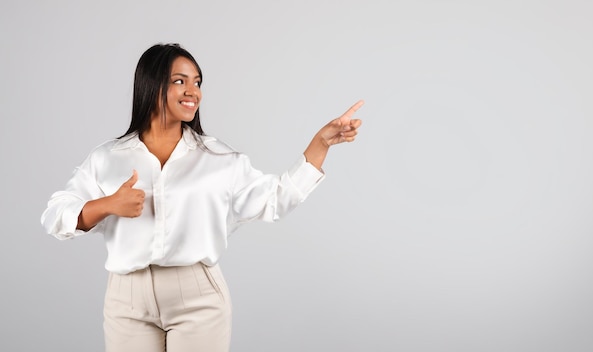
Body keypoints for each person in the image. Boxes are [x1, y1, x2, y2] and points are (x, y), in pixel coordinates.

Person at [40, 43, 363, 352]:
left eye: (197, 82)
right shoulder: (108, 157)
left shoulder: (218, 158)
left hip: (197, 296)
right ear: (151, 86)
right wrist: (108, 205)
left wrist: (320, 144)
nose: (192, 91)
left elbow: (275, 198)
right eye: (179, 81)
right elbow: (56, 214)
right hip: (127, 298)